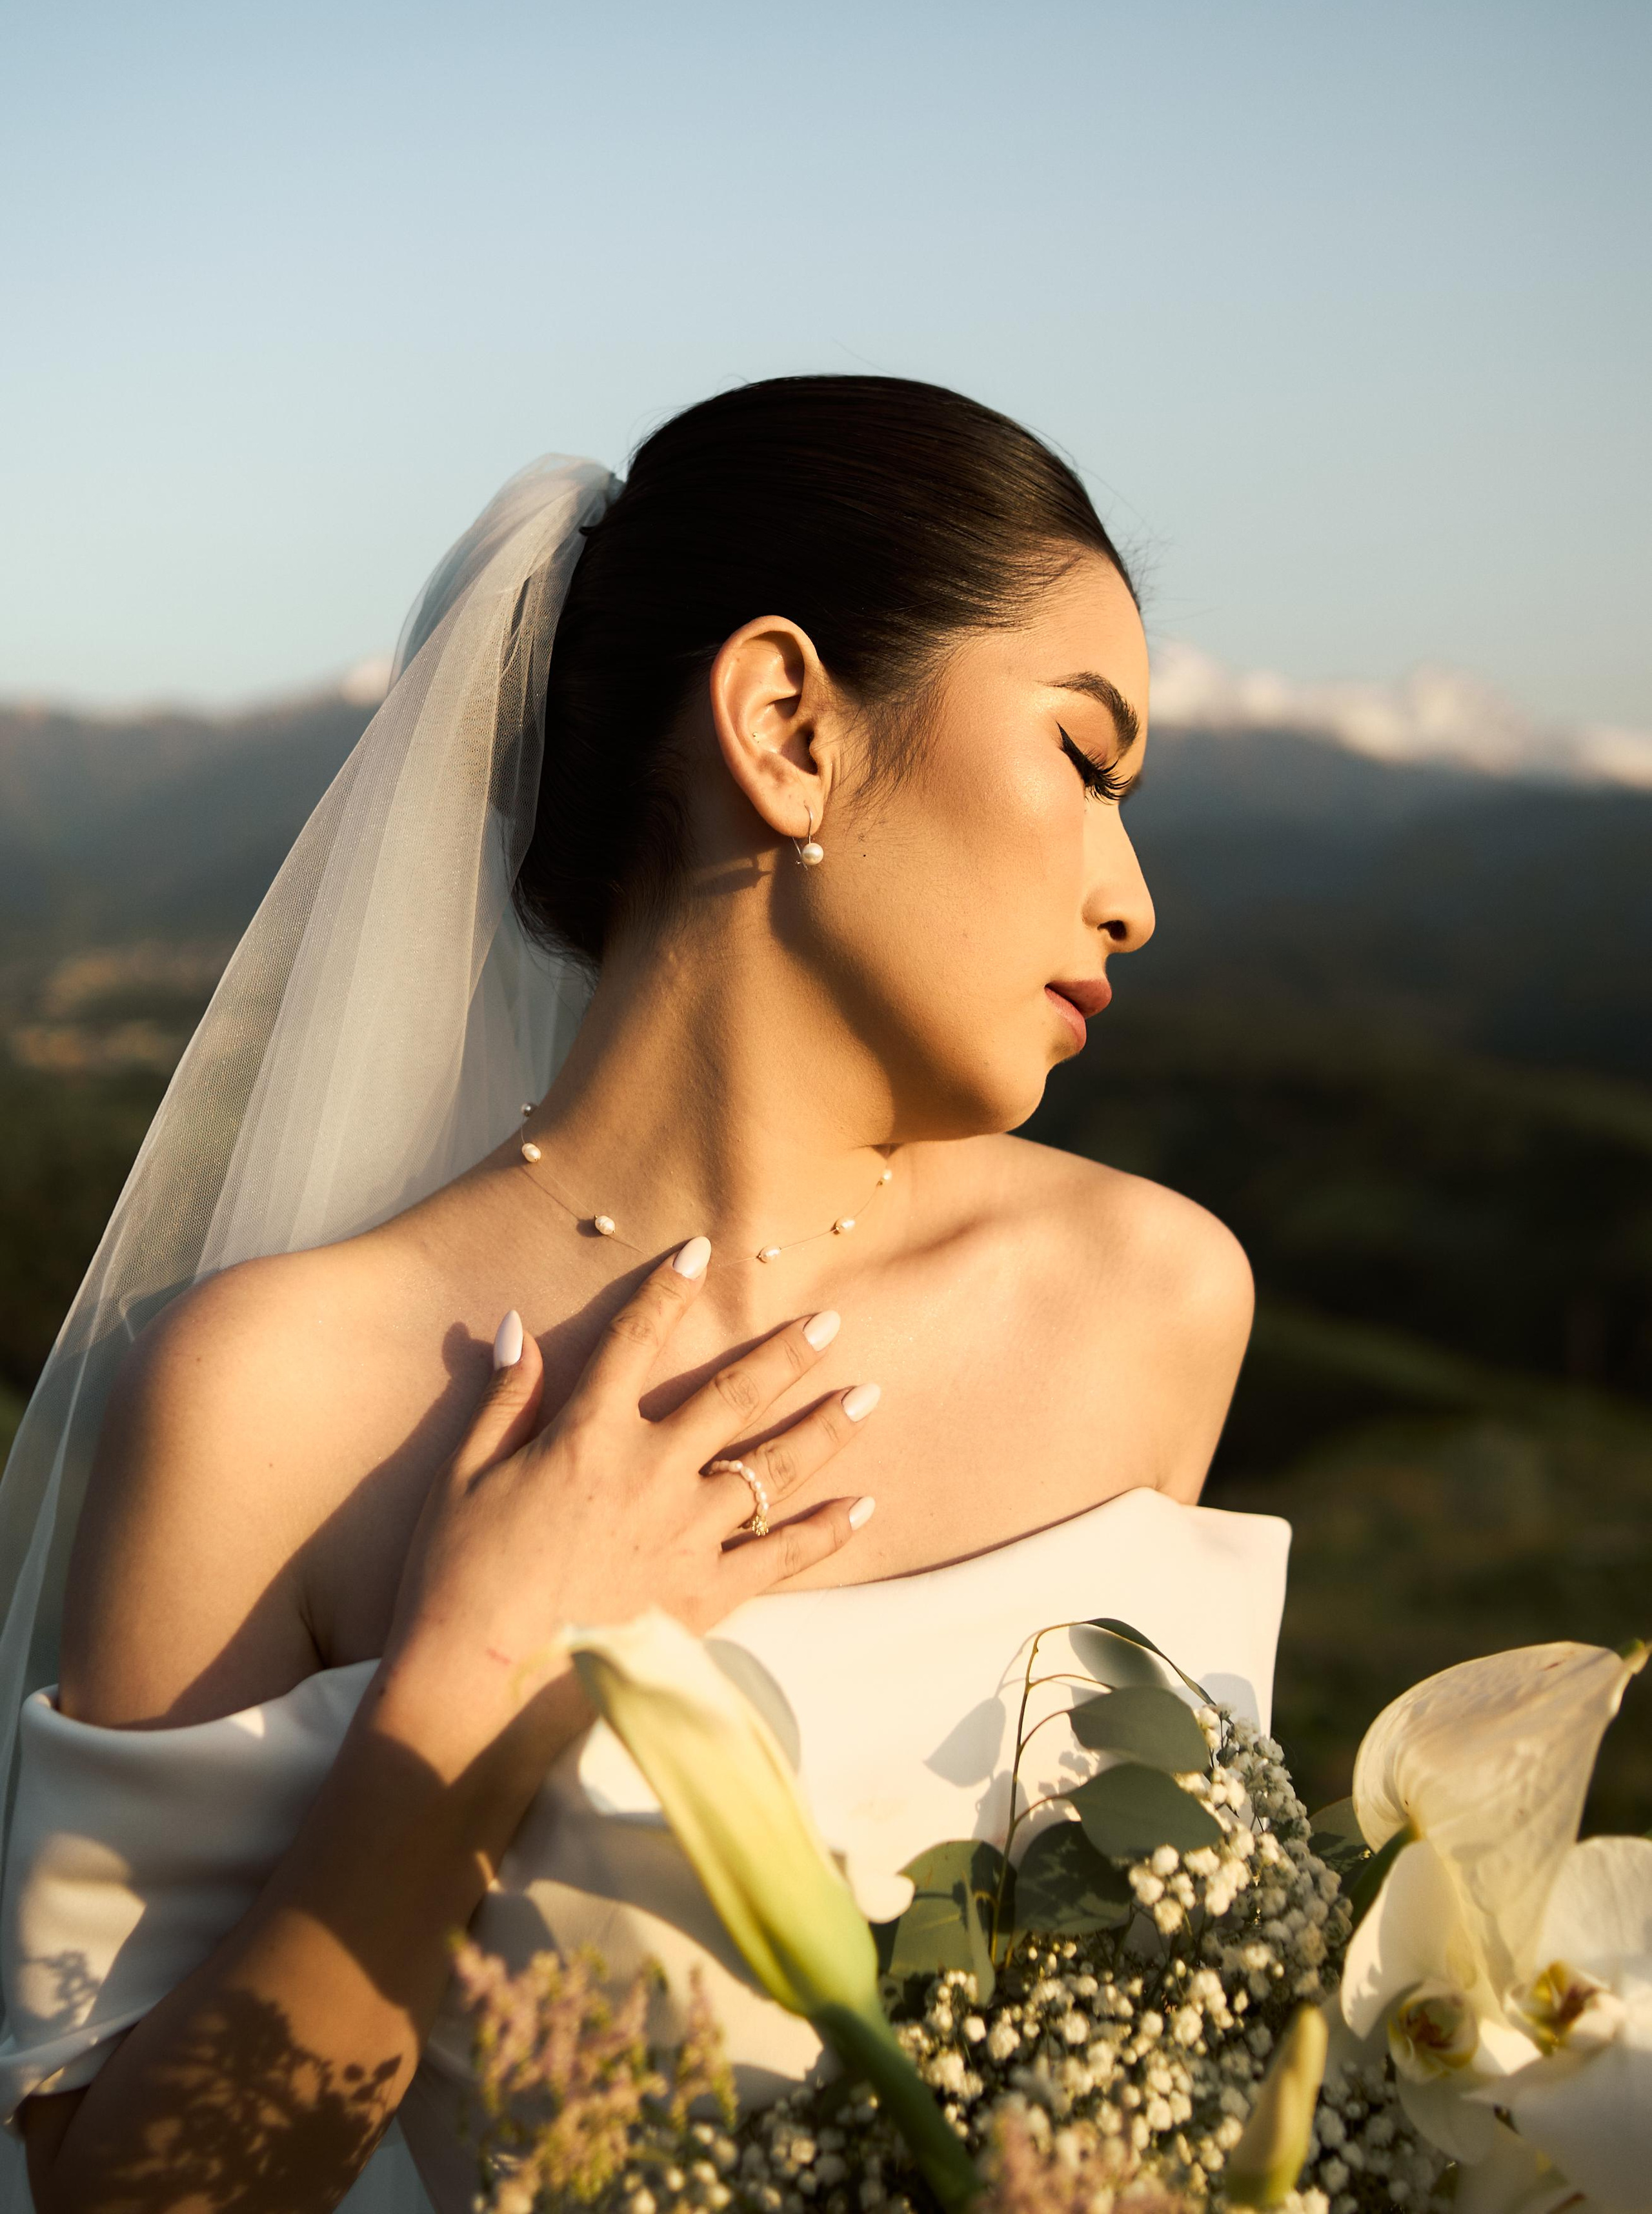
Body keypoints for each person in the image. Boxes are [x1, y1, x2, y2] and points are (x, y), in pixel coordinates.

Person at [0, 377, 1287, 2212]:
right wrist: (472, 1683)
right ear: (784, 724)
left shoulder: (1146, 1305)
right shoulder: (269, 1398)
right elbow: (116, 2192)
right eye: (1086, 762)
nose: (1133, 894)